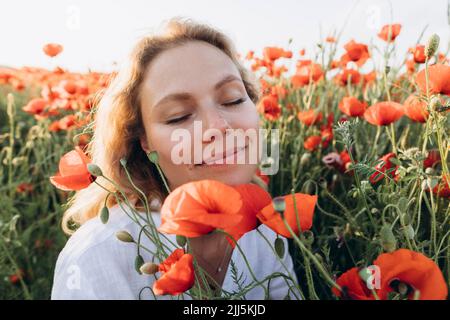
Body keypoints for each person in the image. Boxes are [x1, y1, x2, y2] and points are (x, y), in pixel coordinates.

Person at [51, 16, 300, 300]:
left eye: (233, 99)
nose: (217, 126)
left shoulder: (263, 228)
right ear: (143, 142)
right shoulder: (97, 258)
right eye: (179, 116)